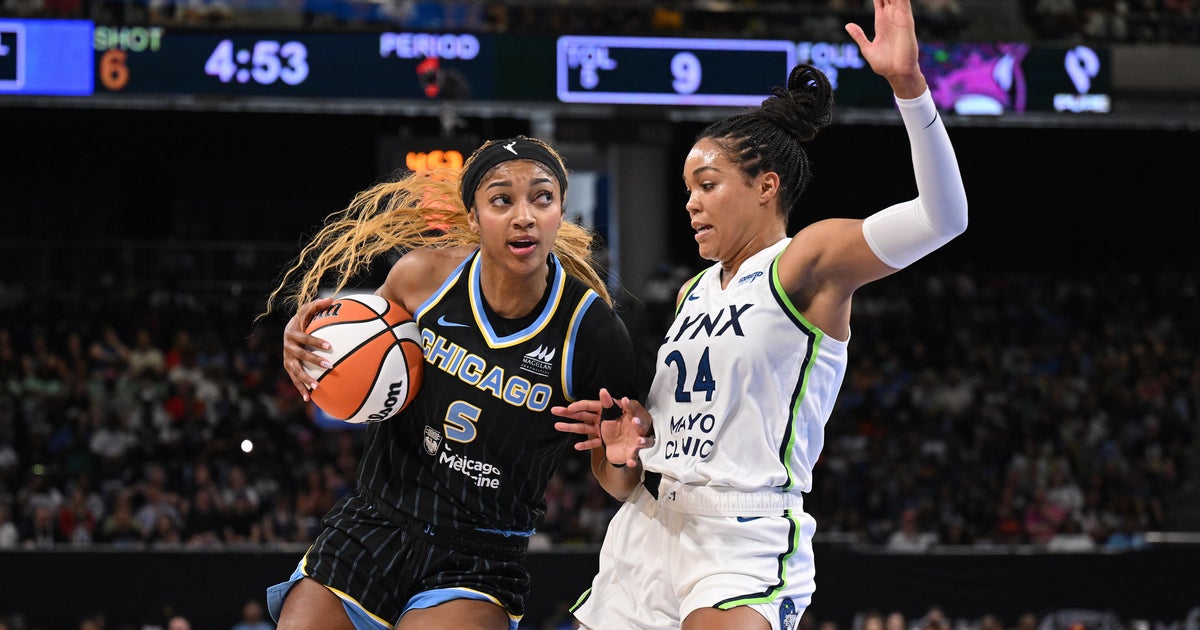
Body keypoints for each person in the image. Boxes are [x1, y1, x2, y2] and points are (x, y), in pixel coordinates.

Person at [551, 1, 968, 628]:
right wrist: (622, 453)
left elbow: (945, 219)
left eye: (708, 184)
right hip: (648, 526)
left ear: (766, 186)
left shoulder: (804, 262)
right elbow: (625, 481)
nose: (690, 203)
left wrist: (909, 88)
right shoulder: (693, 292)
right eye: (687, 188)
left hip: (740, 542)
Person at [261, 135, 639, 630]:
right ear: (473, 216)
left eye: (542, 198)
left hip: (479, 553)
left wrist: (621, 456)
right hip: (376, 518)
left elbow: (619, 484)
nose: (524, 215)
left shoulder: (593, 333)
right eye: (502, 200)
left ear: (560, 212)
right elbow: (360, 363)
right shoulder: (422, 277)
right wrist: (310, 351)